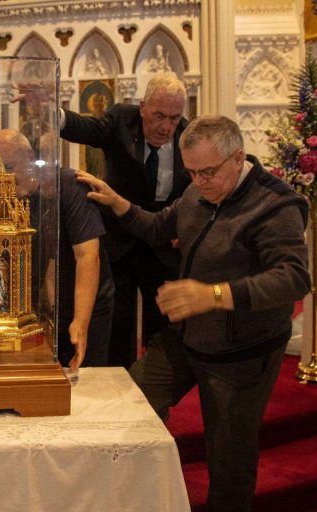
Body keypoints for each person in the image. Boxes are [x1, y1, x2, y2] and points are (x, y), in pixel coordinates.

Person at [76, 115, 311, 512]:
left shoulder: (275, 205)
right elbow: (158, 226)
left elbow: (293, 279)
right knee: (132, 398)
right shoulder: (199, 192)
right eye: (190, 172)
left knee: (229, 458)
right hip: (187, 337)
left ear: (237, 158)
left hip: (243, 353)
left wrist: (215, 295)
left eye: (208, 172)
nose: (199, 182)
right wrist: (119, 204)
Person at [60, 71, 191, 368]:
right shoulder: (121, 120)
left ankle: (155, 394)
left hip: (162, 246)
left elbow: (198, 190)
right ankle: (118, 392)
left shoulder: (188, 136)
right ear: (143, 106)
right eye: (158, 116)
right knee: (118, 325)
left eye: (174, 118)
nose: (166, 126)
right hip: (119, 243)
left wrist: (187, 229)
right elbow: (85, 128)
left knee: (163, 330)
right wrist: (51, 112)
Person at [0, 129, 114, 370]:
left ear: (29, 157)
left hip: (83, 308)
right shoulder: (1, 199)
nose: (3, 179)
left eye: (8, 168)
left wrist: (80, 322)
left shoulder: (69, 186)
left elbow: (87, 256)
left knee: (84, 387)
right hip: (35, 316)